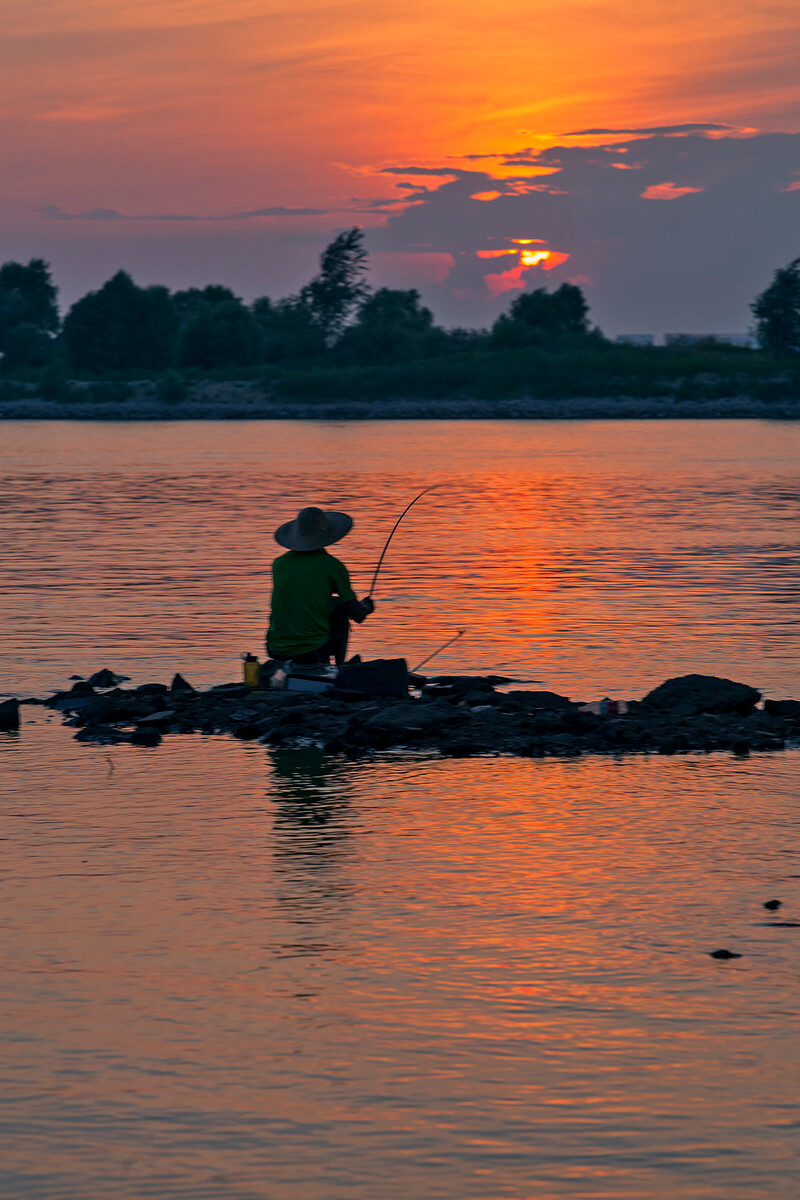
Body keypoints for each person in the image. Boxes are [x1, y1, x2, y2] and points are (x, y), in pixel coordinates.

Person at [266, 506, 374, 667]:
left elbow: (302, 595)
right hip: (312, 650)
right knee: (341, 612)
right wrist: (366, 607)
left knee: (333, 604)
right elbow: (357, 616)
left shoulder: (279, 564)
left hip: (275, 648)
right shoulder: (332, 566)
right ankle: (338, 669)